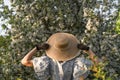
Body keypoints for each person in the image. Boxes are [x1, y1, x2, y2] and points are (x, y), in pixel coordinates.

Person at [21, 32, 99, 80]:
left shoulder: (47, 62)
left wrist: (37, 48)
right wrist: (88, 50)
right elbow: (98, 64)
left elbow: (24, 61)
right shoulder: (78, 62)